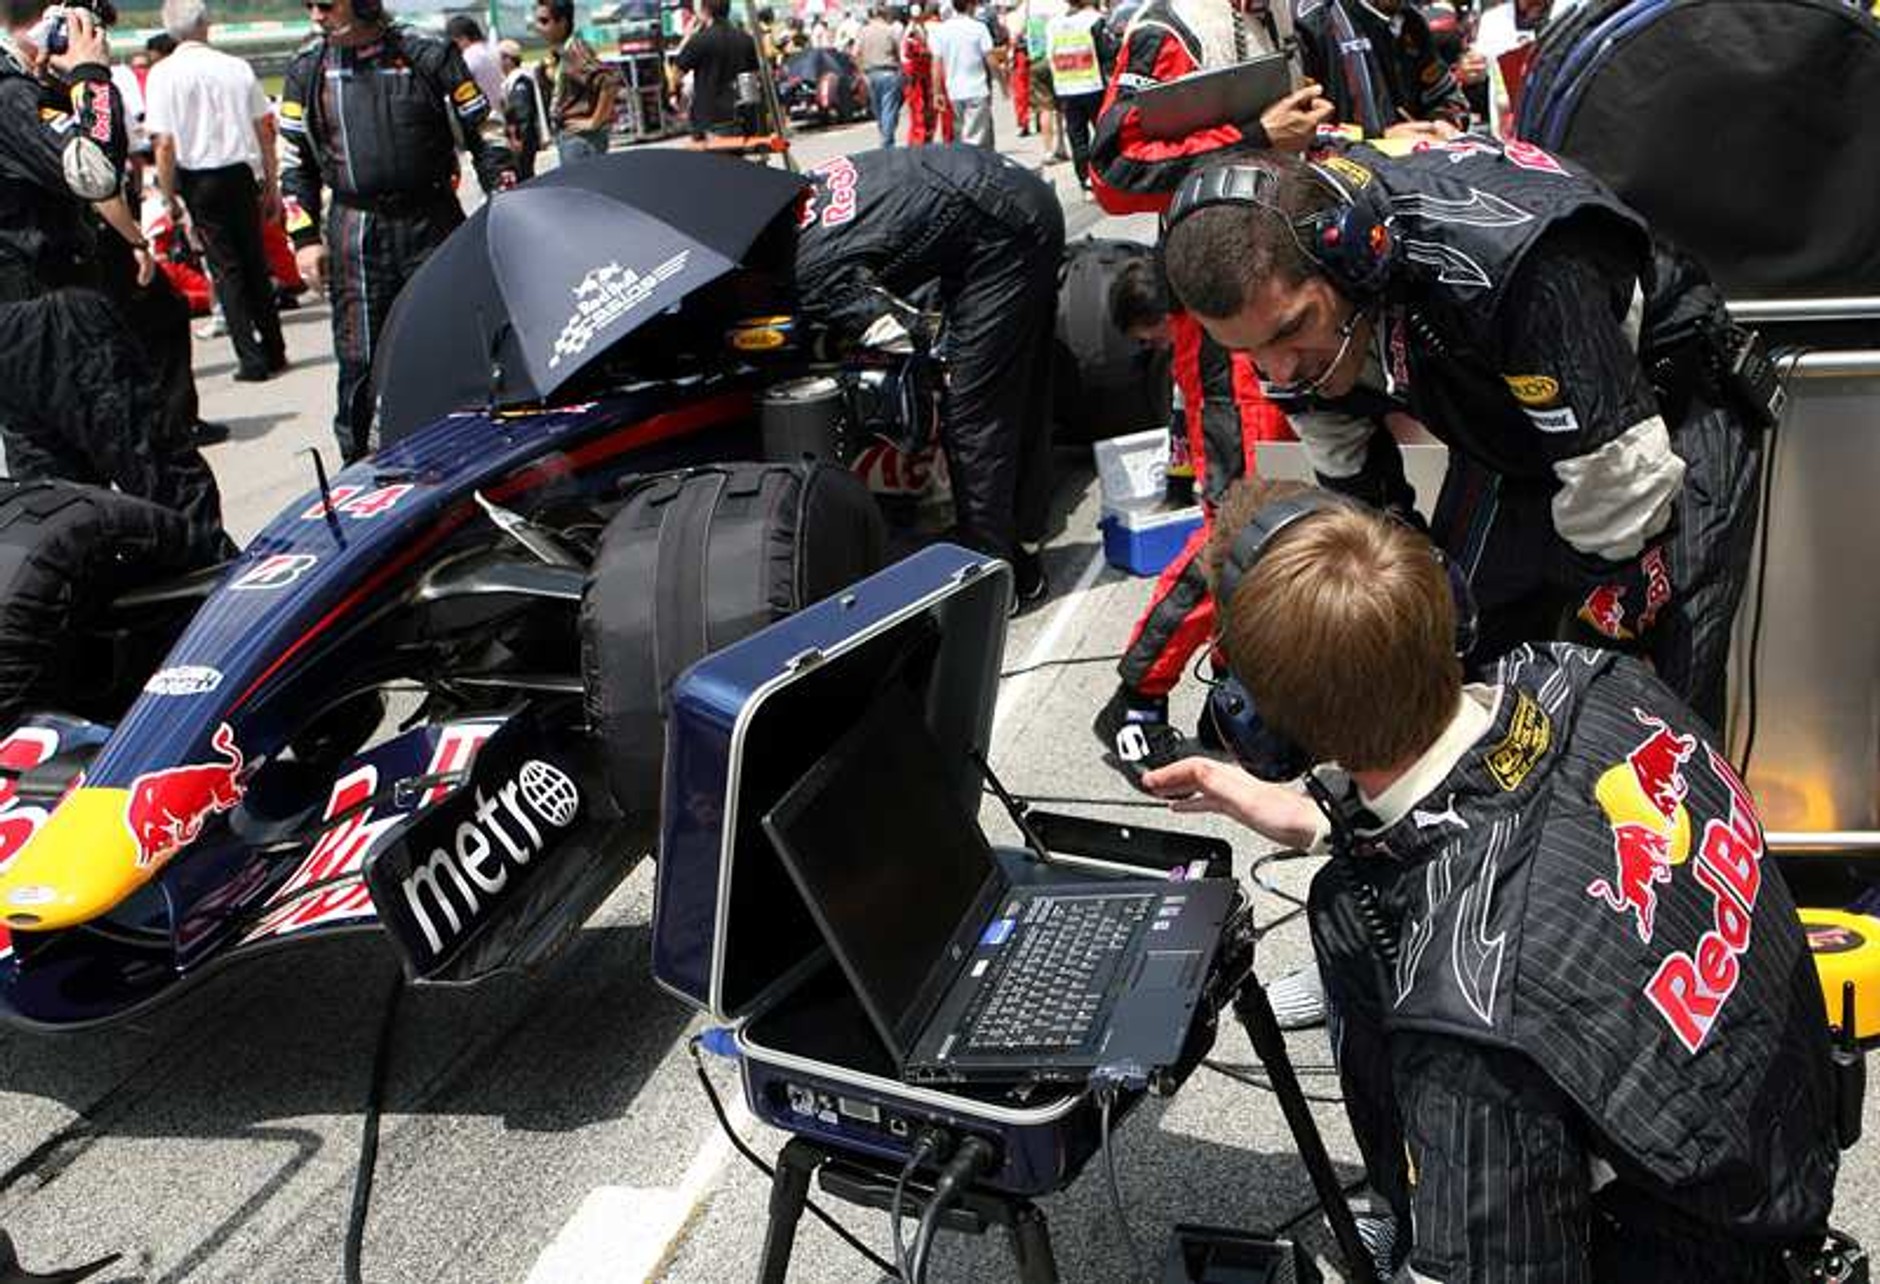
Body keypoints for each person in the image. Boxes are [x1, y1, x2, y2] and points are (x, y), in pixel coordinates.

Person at [1143, 477, 1842, 1280]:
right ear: (1448, 598)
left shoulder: (1465, 1009)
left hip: (1698, 1244)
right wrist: (1310, 817)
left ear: (1262, 732)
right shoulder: (1589, 679)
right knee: (1347, 902)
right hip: (1772, 1140)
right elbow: (1501, 792)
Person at [1161, 144, 1766, 731]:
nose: (1280, 371)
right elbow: (1353, 477)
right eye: (1249, 352)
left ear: (1350, 258)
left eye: (1293, 330)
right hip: (1503, 429)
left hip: (1651, 425)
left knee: (1641, 709)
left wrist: (1590, 639)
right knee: (1446, 655)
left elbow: (1620, 485)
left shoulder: (1513, 265)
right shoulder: (1290, 321)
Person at [1086, 0, 1325, 781]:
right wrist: (1257, 138)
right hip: (1222, 304)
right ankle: (1137, 694)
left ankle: (1243, 690)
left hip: (1282, 285)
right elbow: (1115, 171)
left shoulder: (1271, 23)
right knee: (1245, 515)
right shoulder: (1169, 28)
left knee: (1297, 497)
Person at [0, 0, 229, 561]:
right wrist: (90, 77)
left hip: (14, 323)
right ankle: (221, 608)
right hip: (58, 315)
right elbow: (96, 173)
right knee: (166, 475)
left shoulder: (21, 90)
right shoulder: (11, 94)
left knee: (59, 507)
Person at [793, 146, 1062, 602]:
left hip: (1002, 229)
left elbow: (906, 333)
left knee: (974, 413)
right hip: (1005, 193)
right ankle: (1022, 553)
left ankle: (994, 578)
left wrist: (938, 359)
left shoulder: (808, 267)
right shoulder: (803, 190)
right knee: (1021, 392)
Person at [281, 0, 514, 463]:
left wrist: (506, 204)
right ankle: (357, 473)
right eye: (308, 5)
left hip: (433, 222)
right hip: (356, 230)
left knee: (461, 345)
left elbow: (487, 132)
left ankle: (484, 457)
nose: (315, 16)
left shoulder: (427, 55)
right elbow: (293, 162)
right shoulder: (307, 70)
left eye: (325, 5)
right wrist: (304, 238)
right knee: (359, 361)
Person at [144, 0, 286, 384]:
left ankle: (250, 357)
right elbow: (265, 131)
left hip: (198, 179)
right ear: (205, 25)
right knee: (255, 259)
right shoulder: (235, 67)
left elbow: (164, 143)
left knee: (226, 268)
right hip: (239, 172)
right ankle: (275, 346)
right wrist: (271, 184)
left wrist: (168, 194)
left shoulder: (163, 74)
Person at [1292, 0, 1471, 137]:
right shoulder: (1311, 22)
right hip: (1342, 176)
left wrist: (1443, 122)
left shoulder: (1410, 21)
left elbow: (1448, 98)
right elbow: (1292, 129)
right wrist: (1380, 139)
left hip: (1417, 170)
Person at [535, 0, 617, 164]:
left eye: (544, 21)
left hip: (580, 139)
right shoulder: (563, 51)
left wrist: (595, 121)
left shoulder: (575, 50)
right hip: (571, 136)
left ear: (562, 22)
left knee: (582, 185)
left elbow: (608, 81)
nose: (538, 27)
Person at [1044, 0, 1113, 191]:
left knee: (1077, 138)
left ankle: (1086, 180)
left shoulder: (1053, 24)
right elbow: (1107, 53)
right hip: (1093, 86)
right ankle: (1107, 174)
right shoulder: (1094, 20)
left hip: (1066, 88)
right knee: (1103, 132)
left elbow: (1050, 57)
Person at [670, 0, 759, 141]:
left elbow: (676, 72)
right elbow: (754, 76)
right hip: (743, 117)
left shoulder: (699, 40)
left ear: (705, 11)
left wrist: (674, 94)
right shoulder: (746, 39)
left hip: (709, 119)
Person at [928, 0, 995, 146]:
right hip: (976, 89)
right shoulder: (979, 28)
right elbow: (990, 59)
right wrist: (1002, 81)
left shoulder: (941, 30)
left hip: (954, 92)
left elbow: (936, 64)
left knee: (962, 135)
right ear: (970, 5)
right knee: (977, 138)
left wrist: (937, 92)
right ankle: (977, 167)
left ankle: (970, 165)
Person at [900, 3, 952, 143]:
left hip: (926, 78)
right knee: (921, 117)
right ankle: (919, 147)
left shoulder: (920, 28)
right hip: (918, 80)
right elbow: (912, 54)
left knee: (929, 116)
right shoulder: (913, 31)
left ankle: (925, 143)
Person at [445, 15, 508, 124]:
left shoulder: (467, 57)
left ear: (462, 38)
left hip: (484, 121)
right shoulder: (493, 51)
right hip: (502, 115)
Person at [855, 5, 903, 148]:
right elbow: (898, 51)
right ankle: (887, 142)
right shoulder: (890, 30)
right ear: (885, 16)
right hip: (889, 72)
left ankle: (885, 138)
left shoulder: (863, 31)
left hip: (870, 74)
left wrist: (861, 72)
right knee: (889, 109)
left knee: (878, 110)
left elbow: (855, 53)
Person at [499, 38, 546, 181]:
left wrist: (518, 139)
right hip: (523, 139)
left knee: (523, 178)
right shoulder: (514, 79)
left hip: (522, 140)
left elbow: (522, 113)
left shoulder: (520, 81)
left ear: (508, 59)